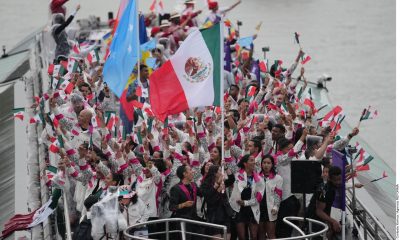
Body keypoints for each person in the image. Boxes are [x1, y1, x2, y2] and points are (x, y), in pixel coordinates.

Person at [229, 154, 265, 240]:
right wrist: (227, 148)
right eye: (251, 160)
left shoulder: (259, 179)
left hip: (252, 209)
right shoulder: (237, 174)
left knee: (254, 236)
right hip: (239, 209)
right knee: (242, 237)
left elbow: (259, 198)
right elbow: (229, 161)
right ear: (245, 163)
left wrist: (245, 203)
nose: (254, 162)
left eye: (254, 160)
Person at [307, 166, 343, 240]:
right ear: (329, 178)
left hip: (321, 219)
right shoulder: (324, 191)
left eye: (339, 179)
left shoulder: (332, 187)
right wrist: (333, 222)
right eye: (335, 180)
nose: (338, 182)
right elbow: (319, 211)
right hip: (315, 221)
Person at [200, 165, 234, 239]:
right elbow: (210, 200)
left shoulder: (223, 181)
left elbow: (232, 179)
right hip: (214, 215)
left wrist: (226, 167)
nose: (222, 172)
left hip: (225, 214)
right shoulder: (205, 184)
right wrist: (217, 189)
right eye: (219, 170)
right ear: (214, 173)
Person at [258, 155, 283, 240]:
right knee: (260, 235)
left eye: (268, 163)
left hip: (271, 210)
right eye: (264, 163)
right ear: (261, 164)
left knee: (271, 235)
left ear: (272, 164)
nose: (266, 165)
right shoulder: (257, 176)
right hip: (259, 209)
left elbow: (278, 194)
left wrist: (276, 207)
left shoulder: (278, 178)